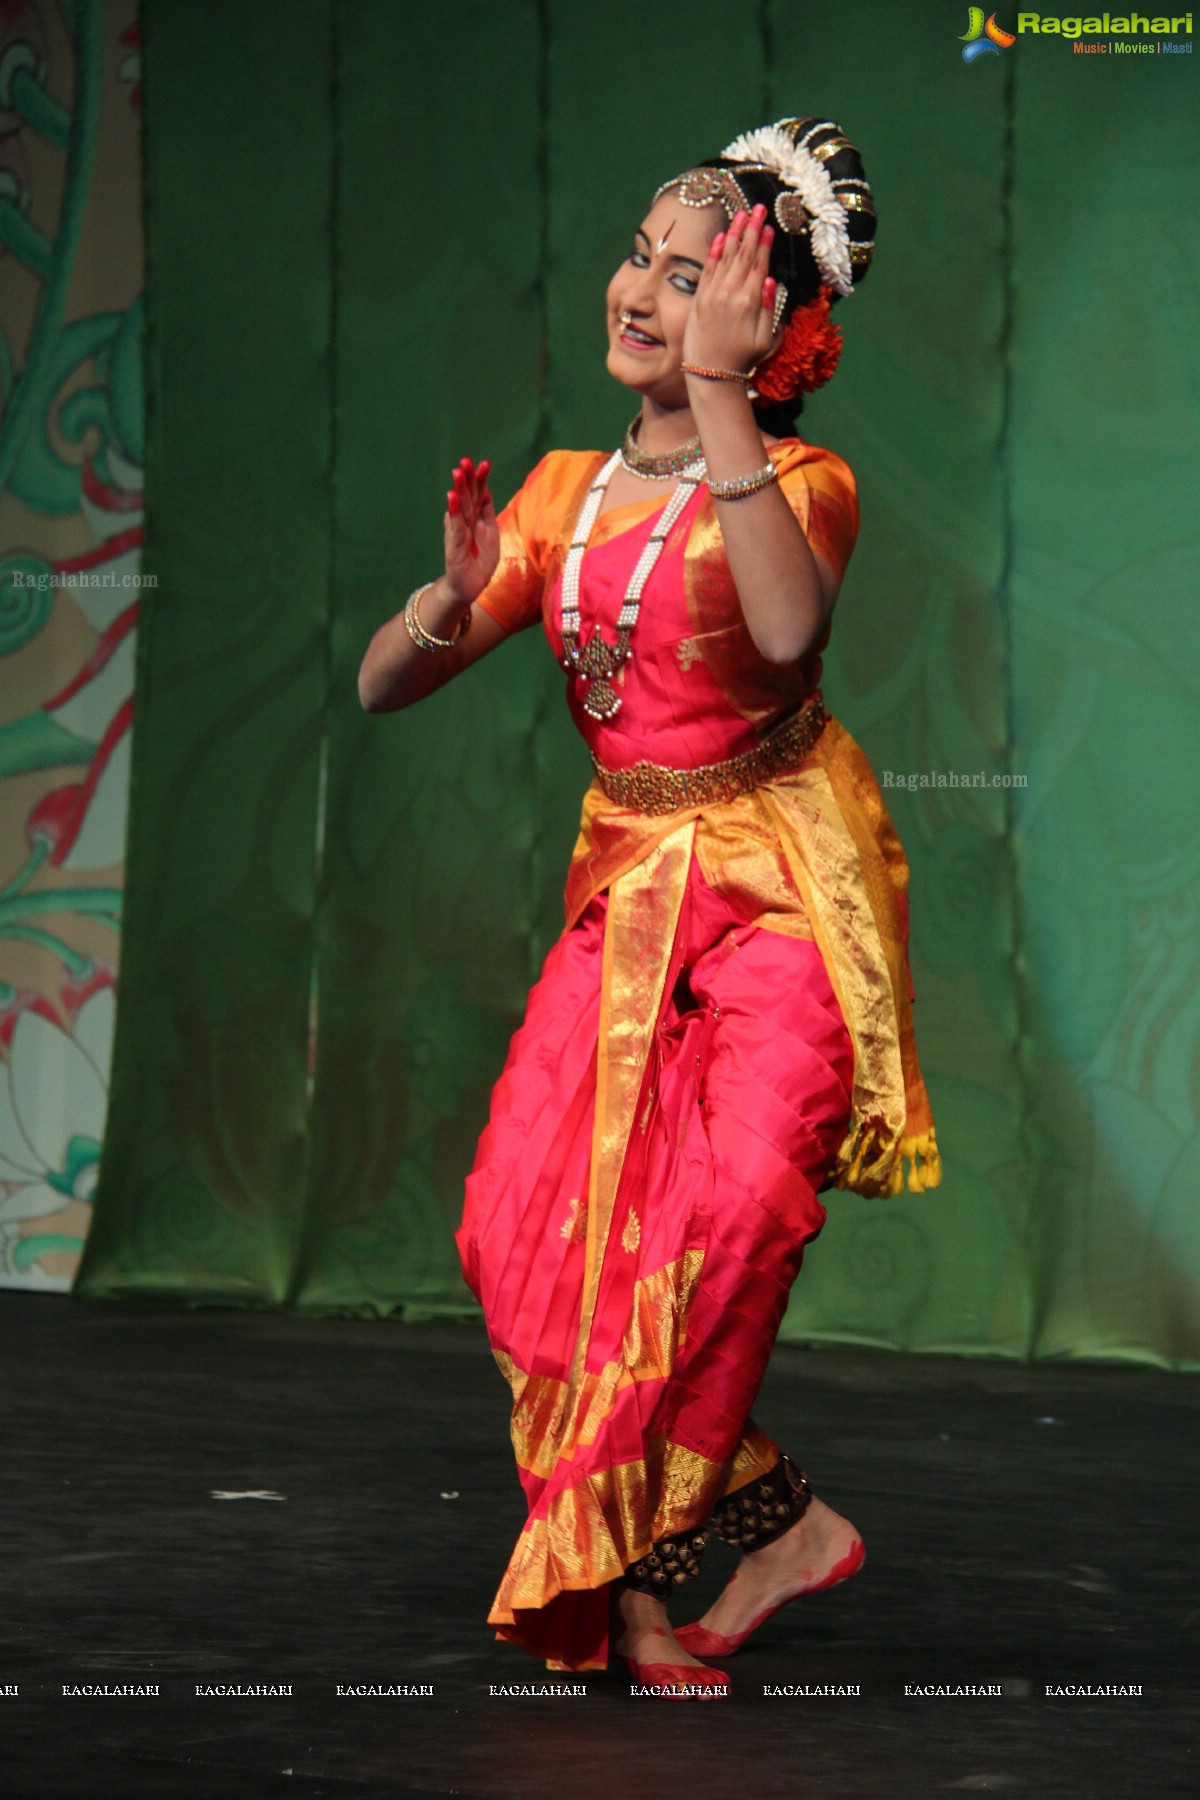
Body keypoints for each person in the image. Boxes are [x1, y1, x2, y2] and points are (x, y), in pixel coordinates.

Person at [358, 117, 939, 1700]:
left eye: (690, 278)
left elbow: (784, 629)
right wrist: (448, 589)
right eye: (642, 254)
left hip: (781, 893)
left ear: (766, 322)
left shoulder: (802, 486)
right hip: (629, 894)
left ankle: (645, 1583)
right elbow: (383, 686)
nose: (640, 292)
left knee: (732, 1210)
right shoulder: (561, 494)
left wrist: (729, 409)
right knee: (520, 1239)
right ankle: (761, 1529)